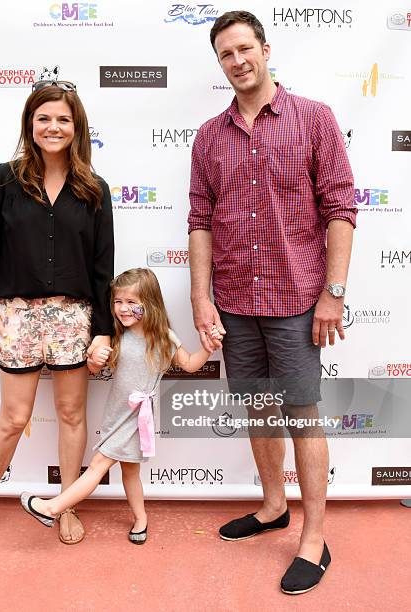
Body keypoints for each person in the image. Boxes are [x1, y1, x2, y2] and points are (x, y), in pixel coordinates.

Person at [188, 11, 356, 594]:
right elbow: (200, 222)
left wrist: (333, 293)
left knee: (302, 416)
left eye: (243, 49)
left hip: (296, 301)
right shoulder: (209, 136)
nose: (237, 61)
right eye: (225, 55)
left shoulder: (314, 119)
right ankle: (272, 506)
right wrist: (200, 299)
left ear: (264, 48)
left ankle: (314, 537)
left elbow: (340, 210)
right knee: (259, 410)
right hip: (234, 301)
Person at [0, 80, 114, 546]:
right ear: (30, 123)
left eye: (63, 119)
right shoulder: (4, 180)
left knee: (70, 414)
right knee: (12, 416)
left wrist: (102, 332)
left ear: (77, 126)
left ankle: (65, 503)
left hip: (73, 317)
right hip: (16, 315)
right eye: (44, 118)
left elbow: (102, 267)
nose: (53, 126)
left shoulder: (94, 188)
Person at [19, 268, 222, 543]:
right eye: (118, 302)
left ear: (149, 304)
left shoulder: (164, 337)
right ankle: (141, 519)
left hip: (138, 419)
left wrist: (208, 348)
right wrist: (94, 359)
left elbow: (189, 364)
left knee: (98, 465)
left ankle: (52, 508)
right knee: (130, 471)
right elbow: (93, 368)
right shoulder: (116, 336)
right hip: (117, 415)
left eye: (131, 302)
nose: (123, 309)